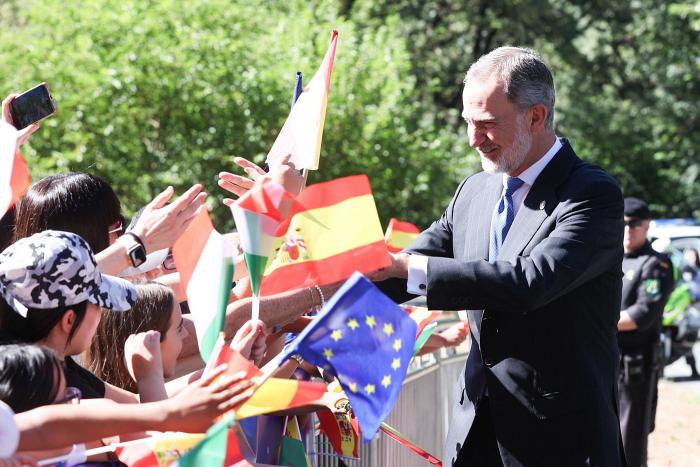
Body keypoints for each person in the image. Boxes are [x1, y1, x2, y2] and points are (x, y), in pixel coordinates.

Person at [372, 47, 625, 466]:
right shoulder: (473, 192)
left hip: (559, 443)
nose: (474, 139)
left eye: (487, 124)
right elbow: (401, 270)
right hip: (475, 434)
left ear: (536, 116)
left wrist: (403, 266)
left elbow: (529, 281)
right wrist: (318, 291)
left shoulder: (591, 194)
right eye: (468, 123)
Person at [618, 197, 674, 466]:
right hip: (604, 361)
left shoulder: (655, 264)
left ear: (647, 225)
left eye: (635, 224)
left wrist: (597, 322)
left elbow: (642, 314)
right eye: (623, 223)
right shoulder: (611, 258)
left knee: (630, 444)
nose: (628, 229)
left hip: (635, 367)